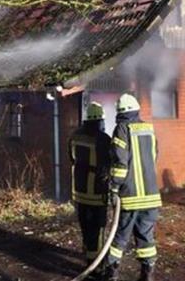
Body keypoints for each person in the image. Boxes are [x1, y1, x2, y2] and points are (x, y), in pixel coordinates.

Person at [105, 94, 161, 281]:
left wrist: (114, 188)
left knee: (120, 236)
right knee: (146, 238)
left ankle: (111, 273)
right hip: (152, 195)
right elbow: (154, 157)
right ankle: (148, 274)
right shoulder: (149, 128)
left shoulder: (121, 129)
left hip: (130, 196)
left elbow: (120, 164)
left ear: (120, 112)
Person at [69, 102, 112, 279]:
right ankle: (97, 266)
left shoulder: (75, 136)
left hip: (79, 191)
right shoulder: (103, 139)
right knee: (98, 229)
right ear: (100, 119)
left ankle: (88, 255)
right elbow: (108, 164)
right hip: (96, 192)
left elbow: (72, 159)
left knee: (85, 226)